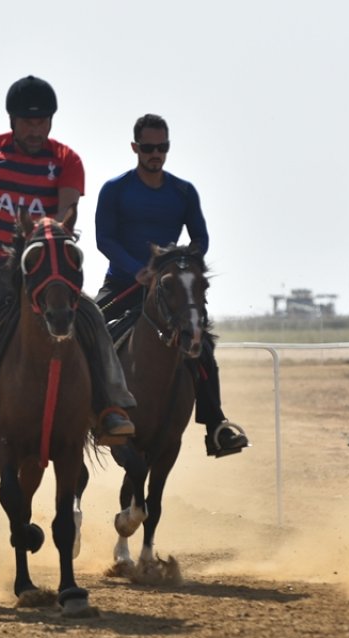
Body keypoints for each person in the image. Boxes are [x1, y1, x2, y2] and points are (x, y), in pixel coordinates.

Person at [0, 75, 136, 458]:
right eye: (28, 121)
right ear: (12, 121)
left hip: (46, 268)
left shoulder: (65, 160)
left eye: (42, 121)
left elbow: (66, 208)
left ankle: (113, 406)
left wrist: (51, 227)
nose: (35, 129)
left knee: (93, 318)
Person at [94, 113, 249, 457]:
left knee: (202, 343)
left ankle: (216, 426)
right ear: (135, 147)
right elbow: (104, 239)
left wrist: (182, 267)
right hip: (122, 284)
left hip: (171, 292)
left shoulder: (183, 192)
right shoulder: (115, 190)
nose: (155, 154)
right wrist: (138, 270)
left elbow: (201, 239)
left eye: (162, 147)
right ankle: (84, 417)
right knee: (88, 333)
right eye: (148, 147)